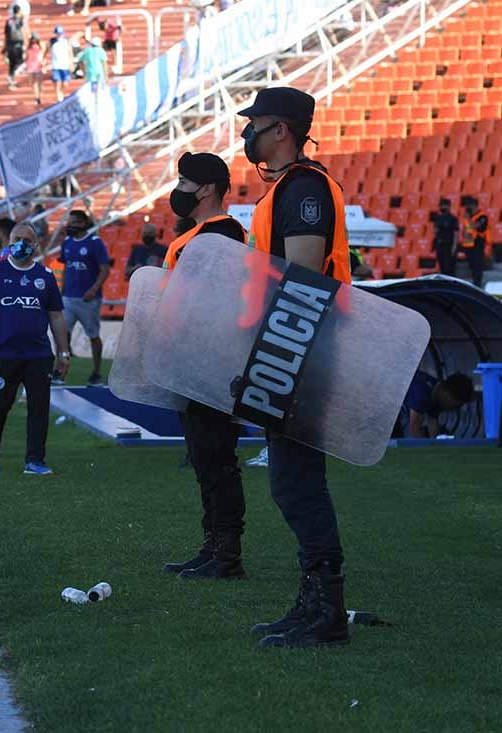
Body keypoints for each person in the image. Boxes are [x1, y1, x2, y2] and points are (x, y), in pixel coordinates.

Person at [238, 86, 353, 648]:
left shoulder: (304, 187)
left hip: (303, 350)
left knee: (297, 483)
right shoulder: (290, 187)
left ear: (280, 128)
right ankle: (315, 600)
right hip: (296, 348)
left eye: (255, 123)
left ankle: (326, 611)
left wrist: (273, 357)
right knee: (294, 481)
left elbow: (303, 274)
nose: (248, 133)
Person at [158, 152, 250, 579]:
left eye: (184, 181)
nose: (178, 189)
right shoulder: (198, 233)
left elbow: (214, 301)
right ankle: (212, 545)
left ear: (208, 188)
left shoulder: (224, 234)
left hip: (213, 361)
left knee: (216, 459)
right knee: (203, 458)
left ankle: (226, 552)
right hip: (192, 360)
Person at [0, 223, 70, 475]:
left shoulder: (46, 276)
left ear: (36, 244)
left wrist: (63, 352)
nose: (21, 244)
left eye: (26, 240)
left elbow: (56, 317)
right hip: (3, 355)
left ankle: (35, 461)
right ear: (8, 241)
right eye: (16, 239)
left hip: (38, 355)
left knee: (39, 409)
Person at [57, 209, 110, 386]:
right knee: (63, 335)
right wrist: (62, 290)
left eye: (72, 222)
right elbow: (66, 268)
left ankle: (96, 372)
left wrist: (94, 289)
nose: (69, 225)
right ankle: (60, 371)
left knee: (93, 336)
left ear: (82, 223)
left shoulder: (95, 243)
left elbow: (105, 269)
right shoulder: (67, 243)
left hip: (89, 300)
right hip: (69, 298)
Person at [402, 371, 475, 438]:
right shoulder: (421, 392)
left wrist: (434, 446)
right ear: (447, 394)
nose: (452, 409)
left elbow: (433, 425)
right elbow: (414, 427)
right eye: (455, 406)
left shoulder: (435, 393)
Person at [459, 196, 488, 288]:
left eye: (468, 205)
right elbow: (465, 228)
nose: (466, 208)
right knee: (472, 267)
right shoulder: (467, 216)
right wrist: (464, 234)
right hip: (468, 245)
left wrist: (468, 219)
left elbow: (477, 226)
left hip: (478, 244)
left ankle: (478, 286)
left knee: (477, 267)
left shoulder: (482, 216)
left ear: (473, 205)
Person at [430, 197, 459, 276]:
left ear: (448, 206)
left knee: (449, 268)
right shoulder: (437, 218)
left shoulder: (453, 219)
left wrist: (454, 247)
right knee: (442, 266)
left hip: (449, 245)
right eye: (440, 206)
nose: (441, 207)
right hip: (440, 245)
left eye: (443, 206)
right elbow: (435, 231)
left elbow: (456, 234)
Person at [3, 5, 25, 90]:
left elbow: (6, 35)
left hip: (10, 45)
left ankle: (11, 79)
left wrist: (5, 47)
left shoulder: (9, 21)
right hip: (18, 45)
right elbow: (23, 31)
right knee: (19, 63)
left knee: (12, 64)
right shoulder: (20, 20)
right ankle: (12, 78)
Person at [49, 26, 73, 101]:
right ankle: (59, 98)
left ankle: (60, 93)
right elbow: (47, 50)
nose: (59, 35)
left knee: (65, 83)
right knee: (57, 83)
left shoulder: (66, 41)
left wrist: (71, 63)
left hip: (65, 65)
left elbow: (70, 53)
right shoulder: (52, 41)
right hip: (56, 65)